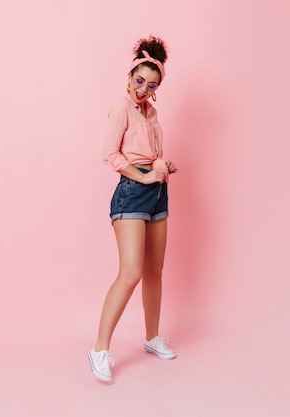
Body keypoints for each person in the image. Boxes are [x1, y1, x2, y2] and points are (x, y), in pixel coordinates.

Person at [88, 35, 178, 382]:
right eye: (138, 81)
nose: (142, 89)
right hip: (132, 194)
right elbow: (111, 155)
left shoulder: (152, 113)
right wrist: (143, 176)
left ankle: (152, 337)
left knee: (155, 272)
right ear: (129, 78)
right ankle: (99, 350)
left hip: (158, 194)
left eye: (150, 84)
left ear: (157, 88)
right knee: (131, 273)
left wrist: (162, 167)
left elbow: (148, 157)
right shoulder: (121, 107)